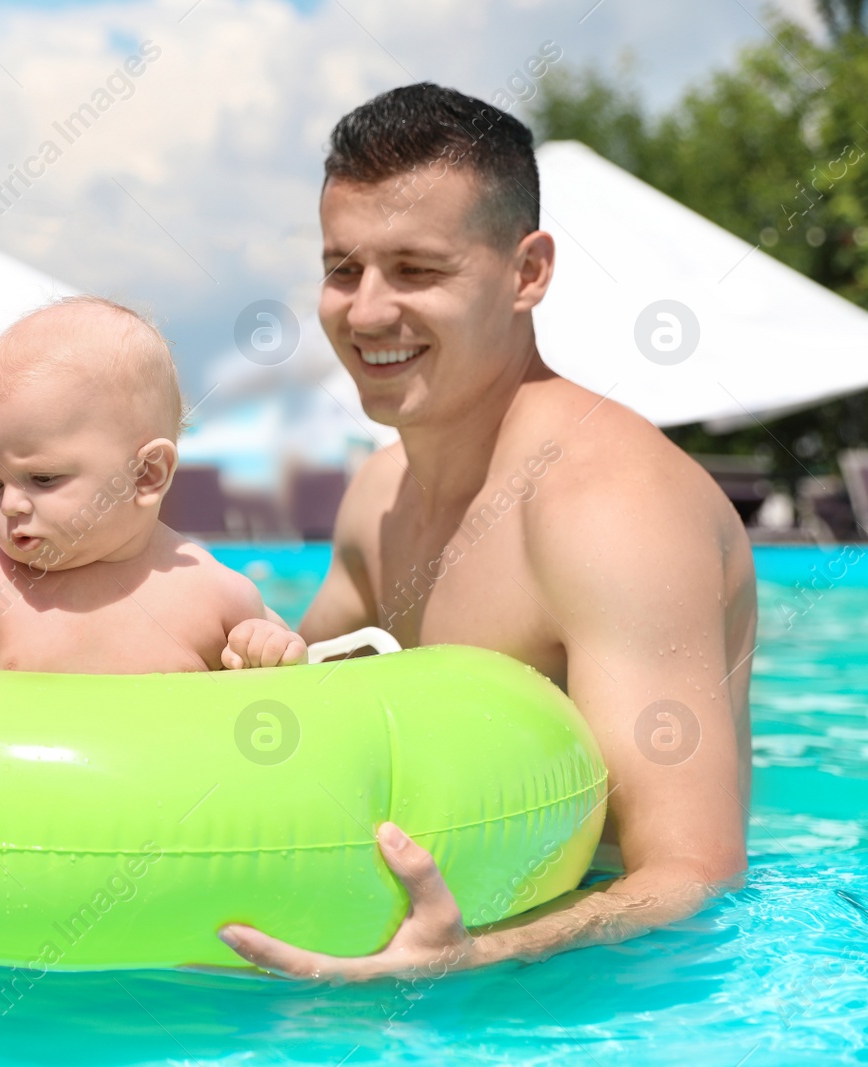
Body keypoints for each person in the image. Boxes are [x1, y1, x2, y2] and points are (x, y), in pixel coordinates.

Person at [216, 84, 755, 980]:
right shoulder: (380, 494)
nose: (367, 311)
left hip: (615, 1002)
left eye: (417, 269)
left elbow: (693, 873)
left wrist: (477, 956)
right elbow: (273, 704)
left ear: (528, 271)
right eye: (343, 269)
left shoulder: (608, 509)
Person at [0, 296, 308, 673]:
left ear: (146, 474)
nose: (11, 505)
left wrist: (268, 645)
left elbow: (285, 658)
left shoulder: (213, 590)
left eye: (43, 478)